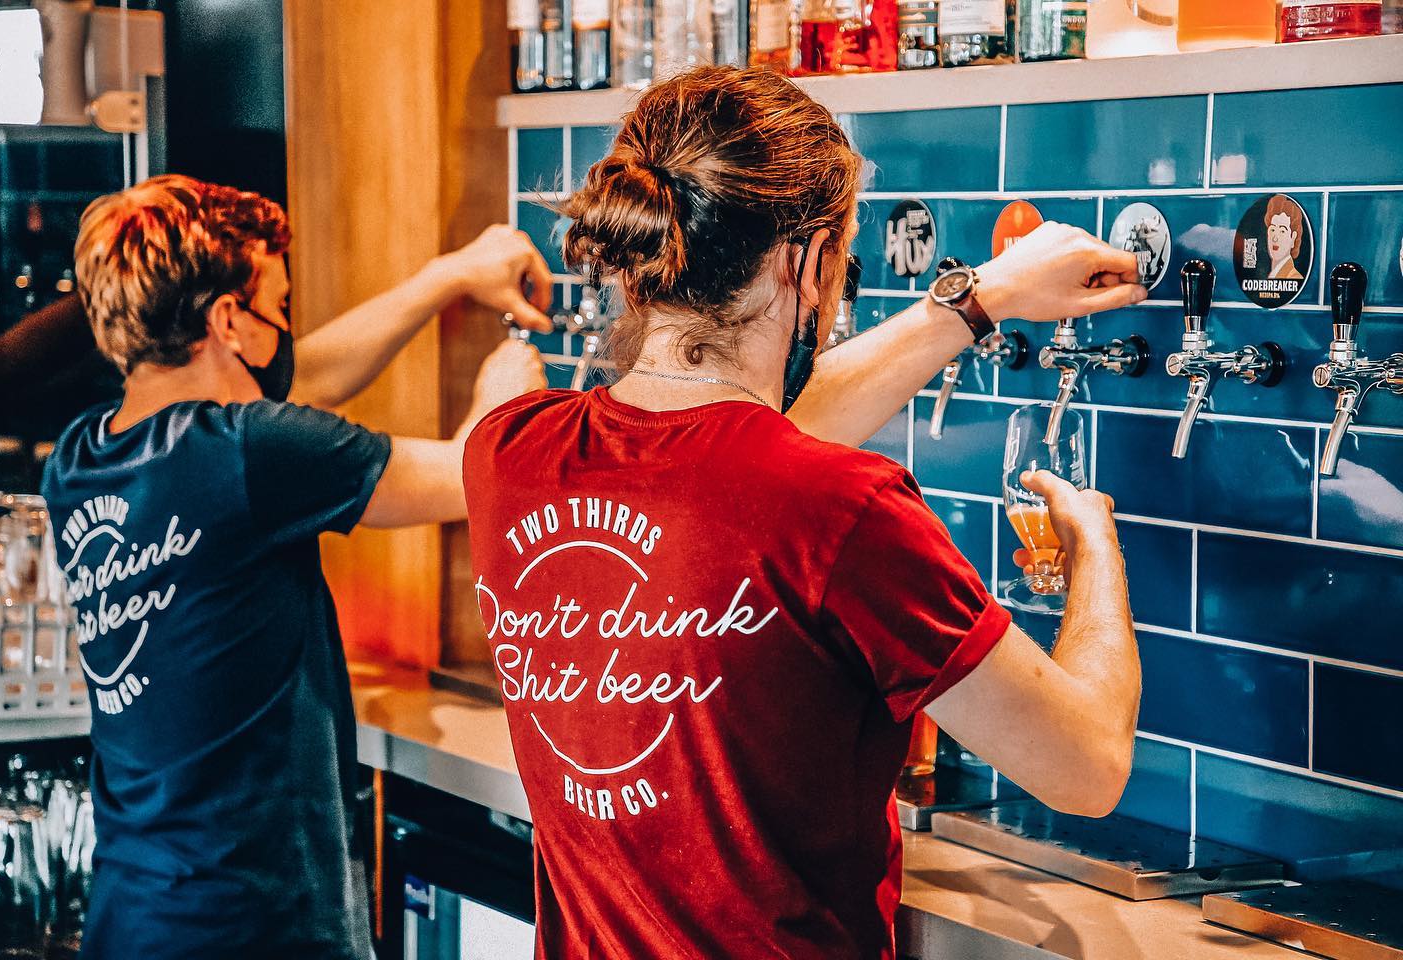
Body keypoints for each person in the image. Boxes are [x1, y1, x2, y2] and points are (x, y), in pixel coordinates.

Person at [463, 66, 1143, 959]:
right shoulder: (844, 508)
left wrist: (983, 299)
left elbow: (734, 453)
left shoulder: (508, 454)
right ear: (811, 263)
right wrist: (1095, 547)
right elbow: (1087, 767)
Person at [40, 174, 551, 960]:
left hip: (132, 913)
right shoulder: (249, 453)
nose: (286, 328)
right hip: (257, 923)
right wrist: (507, 389)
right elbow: (469, 475)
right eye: (278, 306)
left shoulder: (79, 459)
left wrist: (447, 276)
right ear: (226, 321)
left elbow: (303, 375)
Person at [1265, 194, 1306, 281]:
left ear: (1293, 238)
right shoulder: (1272, 275)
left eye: (1282, 231)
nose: (1275, 238)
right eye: (1272, 230)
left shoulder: (1294, 278)